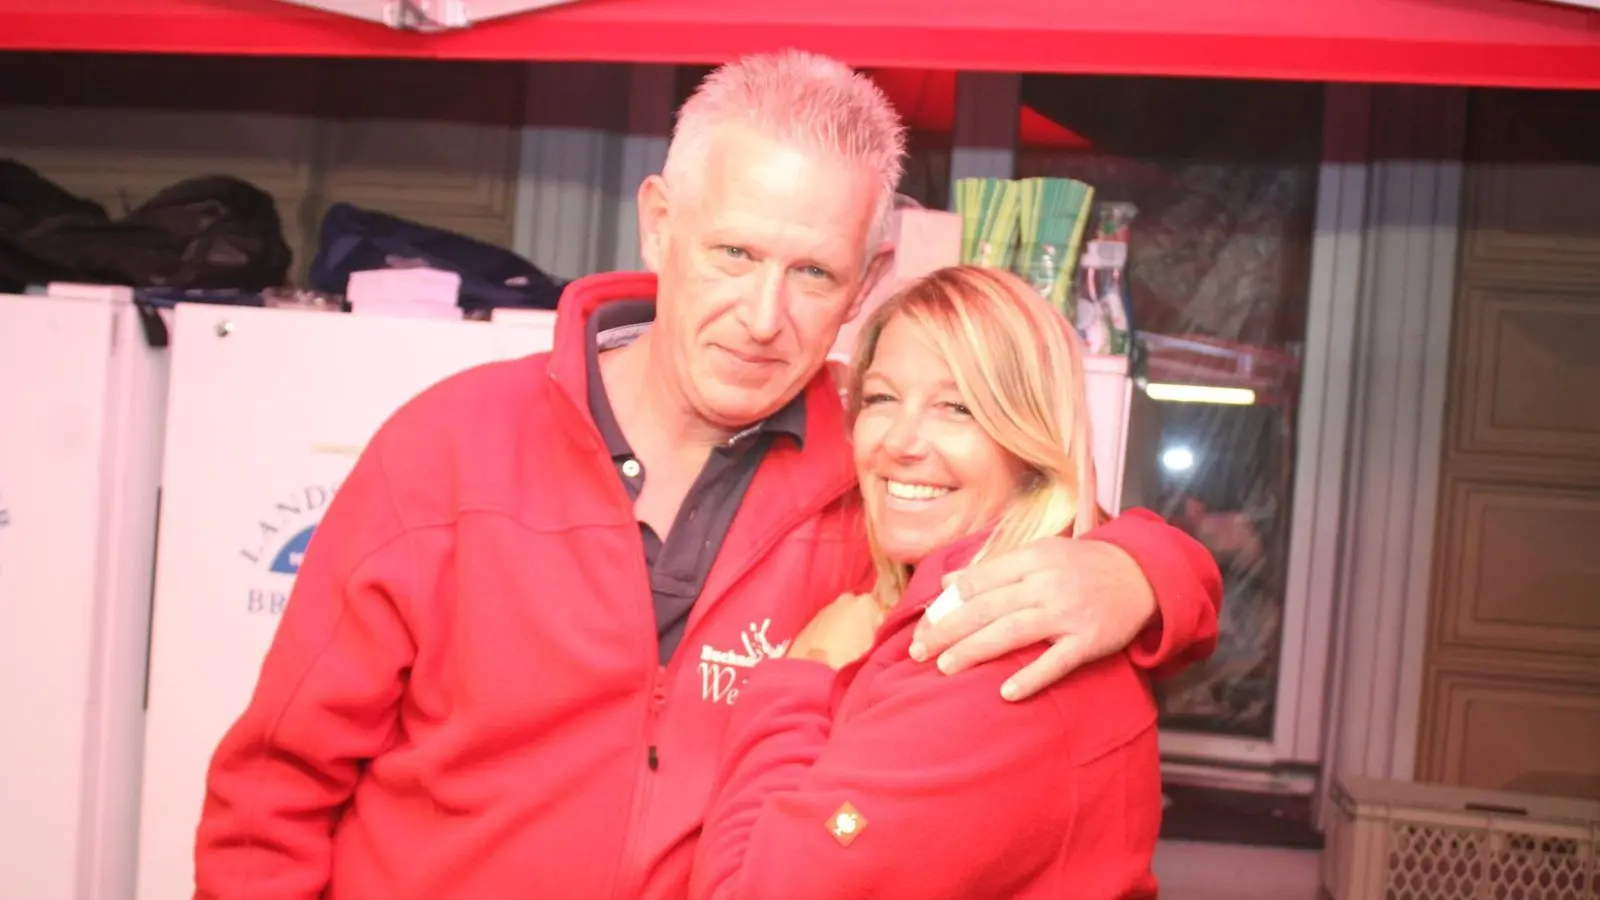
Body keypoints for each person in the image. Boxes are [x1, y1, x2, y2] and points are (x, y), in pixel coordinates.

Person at [192, 50, 1220, 900]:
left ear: (866, 282)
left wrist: (1138, 574)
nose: (764, 318)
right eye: (735, 253)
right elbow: (273, 794)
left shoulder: (885, 472)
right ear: (659, 223)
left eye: (812, 272)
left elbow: (1056, 529)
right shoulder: (450, 447)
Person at [692, 266, 1164, 899]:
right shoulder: (1026, 591)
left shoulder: (988, 663)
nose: (901, 441)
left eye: (957, 407)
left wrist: (803, 674)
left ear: (1031, 445)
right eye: (882, 399)